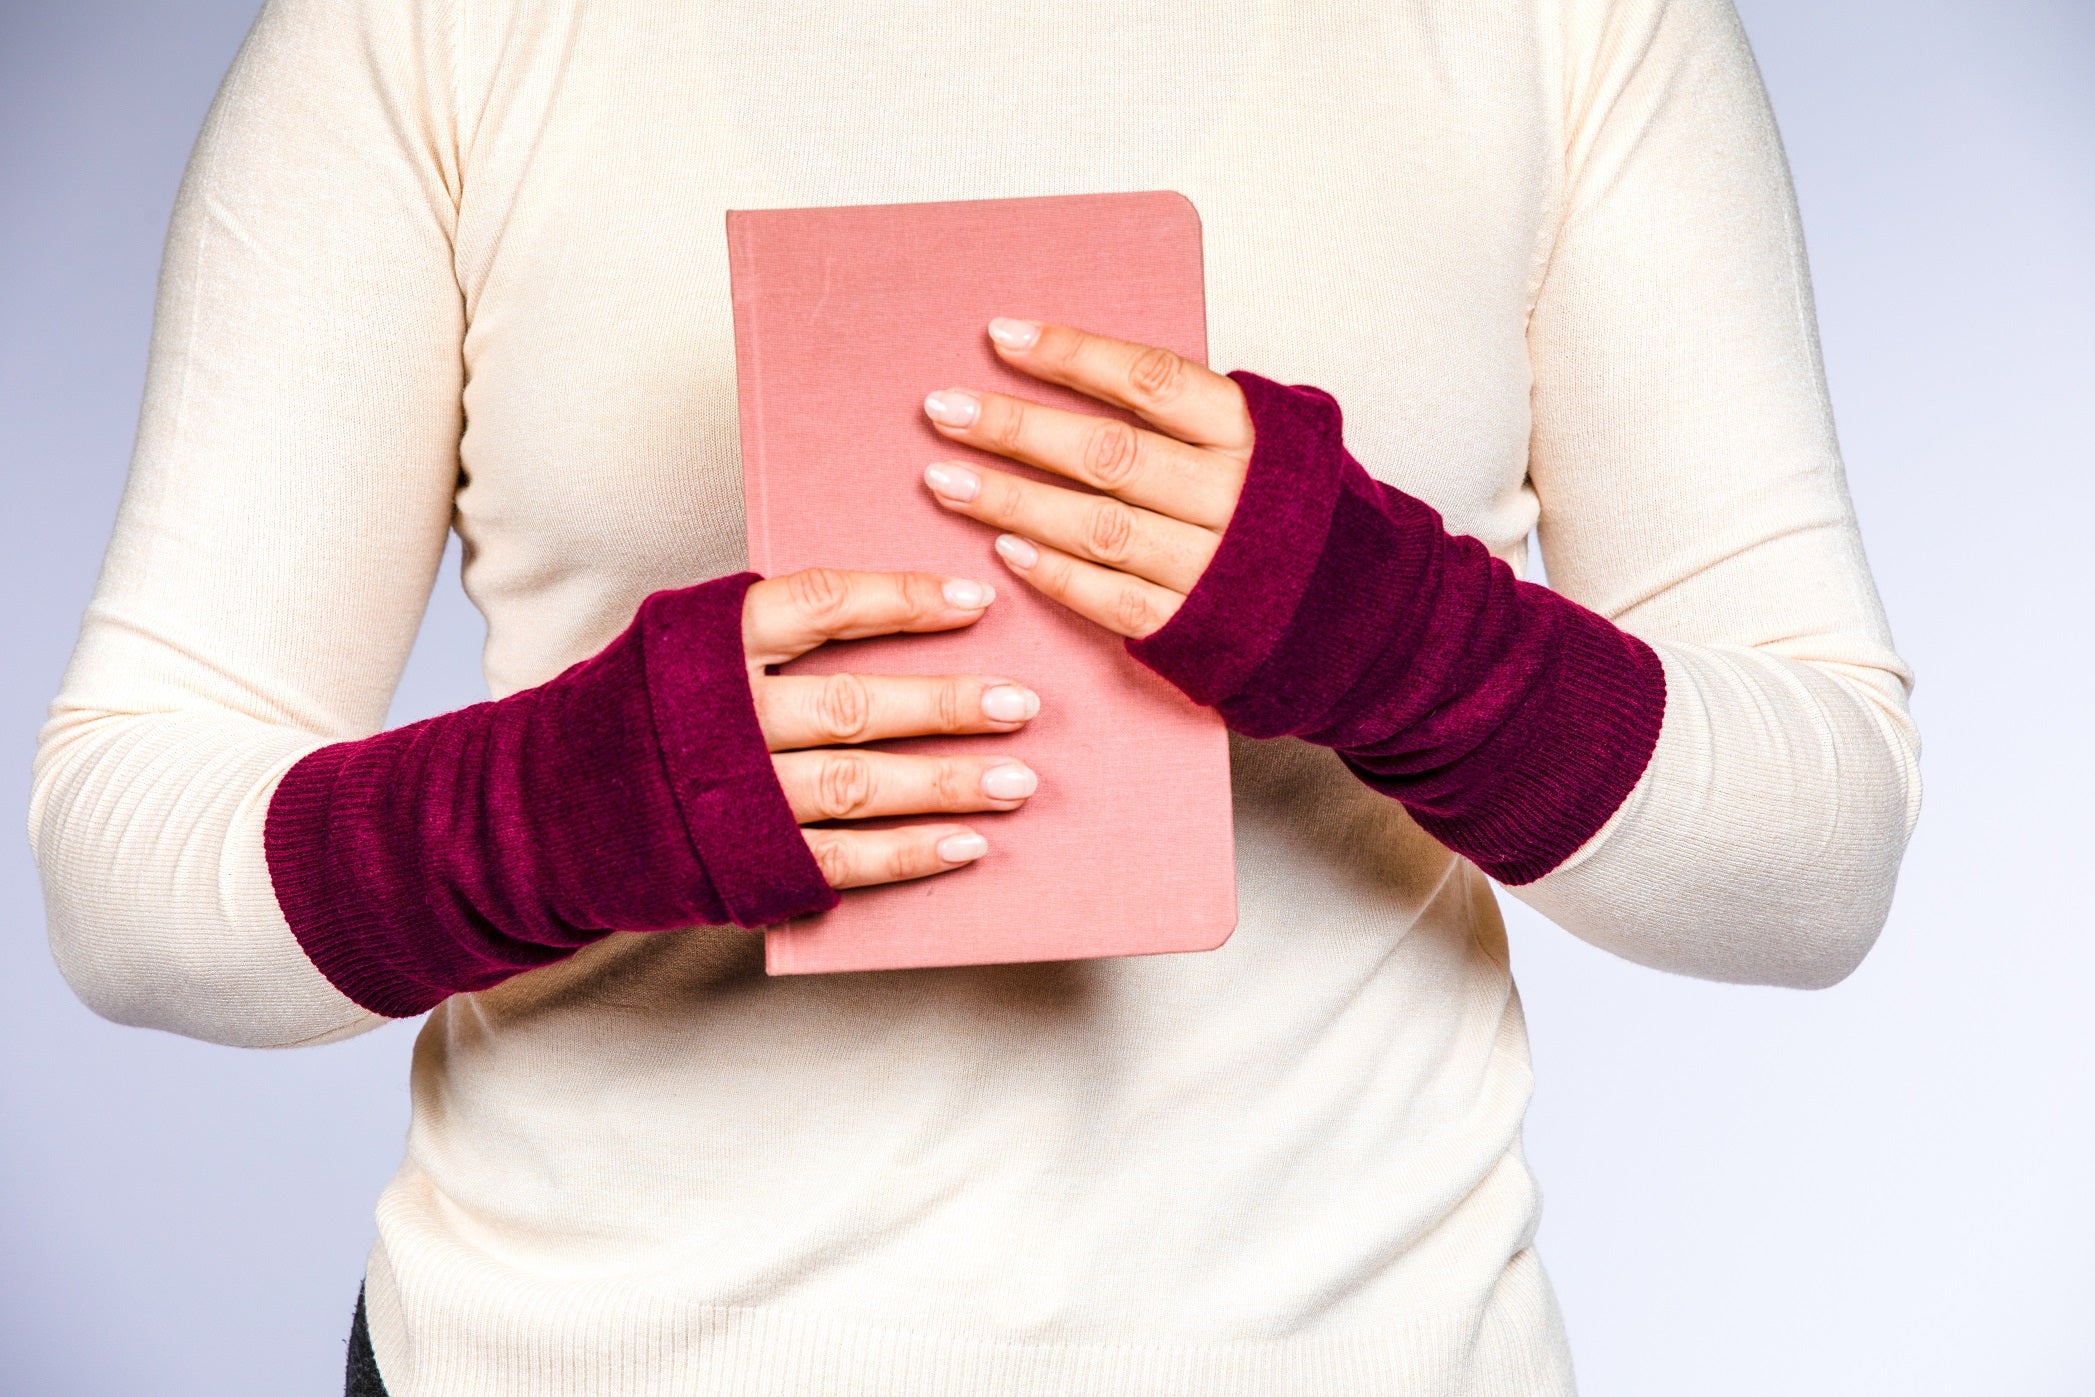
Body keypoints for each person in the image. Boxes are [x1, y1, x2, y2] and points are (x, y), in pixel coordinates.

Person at [27, 0, 1921, 1392]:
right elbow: (126, 875)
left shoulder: (1566, 25)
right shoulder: (425, 31)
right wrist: (588, 798)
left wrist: (1385, 625)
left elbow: (1819, 855)